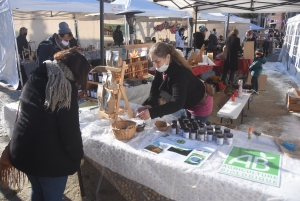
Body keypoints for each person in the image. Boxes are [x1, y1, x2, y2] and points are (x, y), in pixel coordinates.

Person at [9, 48, 91, 201]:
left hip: (24, 149)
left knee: (38, 191)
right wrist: (77, 155)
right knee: (51, 196)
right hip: (47, 160)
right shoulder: (64, 86)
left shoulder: (41, 72)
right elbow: (69, 130)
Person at [136, 42, 215, 121]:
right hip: (187, 100)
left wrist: (152, 113)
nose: (155, 66)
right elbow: (155, 86)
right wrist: (151, 104)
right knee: (186, 124)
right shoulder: (162, 67)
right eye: (153, 62)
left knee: (195, 130)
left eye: (157, 61)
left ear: (168, 57)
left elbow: (177, 103)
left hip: (201, 102)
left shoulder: (180, 73)